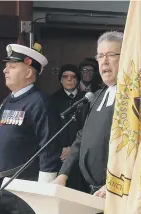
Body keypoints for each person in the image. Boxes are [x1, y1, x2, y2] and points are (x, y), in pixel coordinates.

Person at [0, 43, 61, 214]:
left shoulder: (39, 103)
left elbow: (48, 150)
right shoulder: (8, 100)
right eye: (6, 67)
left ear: (29, 72)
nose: (5, 71)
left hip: (26, 190)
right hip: (4, 187)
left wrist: (43, 195)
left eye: (12, 67)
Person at [52, 31, 123, 198]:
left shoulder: (132, 98)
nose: (104, 61)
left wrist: (114, 183)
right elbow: (82, 137)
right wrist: (63, 174)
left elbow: (135, 148)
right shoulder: (98, 95)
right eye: (100, 56)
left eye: (111, 55)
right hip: (89, 190)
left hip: (114, 192)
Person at [48, 64, 88, 192]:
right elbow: (50, 129)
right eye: (65, 76)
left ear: (78, 79)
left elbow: (88, 127)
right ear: (60, 80)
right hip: (61, 155)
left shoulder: (86, 99)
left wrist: (73, 148)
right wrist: (61, 149)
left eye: (73, 76)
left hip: (81, 153)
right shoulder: (52, 100)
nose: (69, 79)